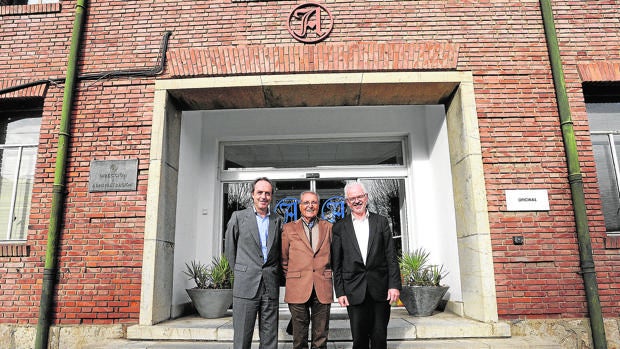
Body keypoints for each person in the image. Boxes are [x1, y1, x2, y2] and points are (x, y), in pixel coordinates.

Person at [331, 182, 401, 349]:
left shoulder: (381, 222)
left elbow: (391, 256)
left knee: (379, 336)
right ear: (347, 202)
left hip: (380, 288)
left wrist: (394, 286)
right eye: (352, 198)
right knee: (359, 339)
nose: (356, 201)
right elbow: (337, 263)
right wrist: (339, 291)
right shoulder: (339, 227)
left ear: (366, 197)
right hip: (353, 290)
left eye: (359, 197)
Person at [224, 177, 283, 349]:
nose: (263, 196)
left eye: (267, 193)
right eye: (260, 192)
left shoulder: (278, 220)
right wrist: (237, 276)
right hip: (245, 284)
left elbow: (280, 253)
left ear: (271, 196)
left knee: (270, 337)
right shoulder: (238, 217)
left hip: (269, 285)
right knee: (242, 337)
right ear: (252, 195)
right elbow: (230, 250)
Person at [282, 191, 333, 349]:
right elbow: (283, 259)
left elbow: (335, 256)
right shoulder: (289, 228)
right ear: (300, 206)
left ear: (318, 205)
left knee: (321, 335)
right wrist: (292, 277)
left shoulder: (329, 227)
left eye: (313, 202)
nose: (310, 206)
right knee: (299, 336)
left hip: (322, 285)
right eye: (306, 203)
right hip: (297, 286)